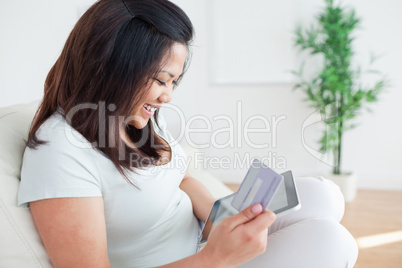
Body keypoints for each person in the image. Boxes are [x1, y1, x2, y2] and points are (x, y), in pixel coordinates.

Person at [18, 0, 358, 267]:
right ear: (113, 66)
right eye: (161, 80)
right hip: (202, 262)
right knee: (332, 242)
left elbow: (179, 178)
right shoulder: (61, 150)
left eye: (173, 82)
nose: (168, 96)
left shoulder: (131, 117)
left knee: (324, 195)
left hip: (207, 242)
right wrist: (215, 258)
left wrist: (220, 218)